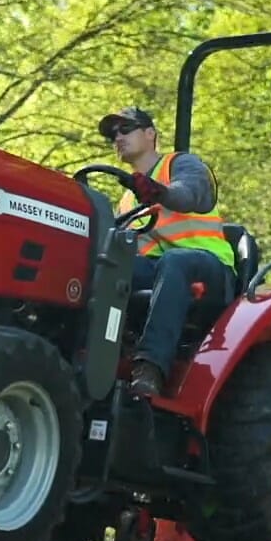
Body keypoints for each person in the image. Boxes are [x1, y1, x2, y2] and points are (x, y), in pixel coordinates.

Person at [97, 106, 235, 397]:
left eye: (125, 129)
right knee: (105, 267)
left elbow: (190, 192)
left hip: (210, 269)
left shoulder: (181, 165)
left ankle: (150, 367)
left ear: (150, 134)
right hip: (160, 269)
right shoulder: (127, 199)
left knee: (175, 262)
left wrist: (161, 192)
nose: (117, 137)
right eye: (113, 134)